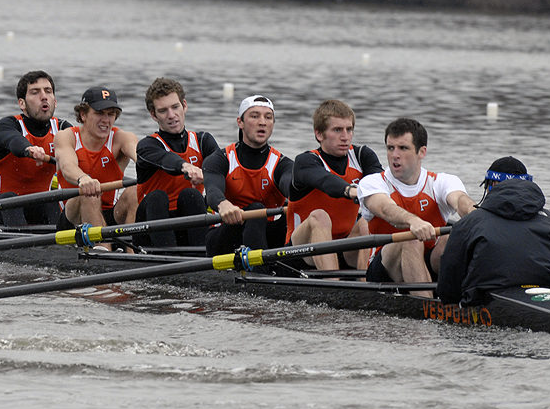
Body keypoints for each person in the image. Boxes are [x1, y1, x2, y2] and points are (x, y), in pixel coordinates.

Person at [437, 157, 550, 306]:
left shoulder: (469, 223)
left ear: (492, 184)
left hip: (485, 300)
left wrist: (455, 305)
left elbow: (449, 287)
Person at [357, 117, 475, 297]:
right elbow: (385, 209)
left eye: (403, 148)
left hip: (429, 260)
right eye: (390, 148)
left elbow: (461, 201)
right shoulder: (372, 183)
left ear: (422, 152)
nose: (395, 155)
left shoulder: (441, 181)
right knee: (410, 240)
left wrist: (478, 216)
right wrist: (413, 221)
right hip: (385, 268)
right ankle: (428, 313)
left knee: (453, 235)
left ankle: (466, 297)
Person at [285, 100, 383, 271]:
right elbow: (326, 181)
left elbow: (381, 185)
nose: (345, 136)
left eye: (349, 129)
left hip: (344, 246)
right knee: (320, 216)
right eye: (337, 130)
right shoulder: (306, 161)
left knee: (366, 221)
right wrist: (352, 191)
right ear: (319, 134)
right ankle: (333, 281)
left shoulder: (362, 156)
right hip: (300, 251)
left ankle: (365, 285)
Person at [134, 77, 220, 247]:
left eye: (175, 107)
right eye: (163, 110)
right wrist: (185, 166)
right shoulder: (147, 146)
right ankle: (166, 255)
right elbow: (167, 160)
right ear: (153, 115)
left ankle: (201, 256)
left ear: (184, 106)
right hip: (151, 225)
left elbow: (223, 174)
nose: (171, 115)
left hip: (188, 221)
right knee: (157, 197)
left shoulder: (203, 141)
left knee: (192, 195)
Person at [202, 95, 292, 256]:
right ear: (240, 122)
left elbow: (291, 185)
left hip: (267, 236)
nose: (262, 122)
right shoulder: (219, 160)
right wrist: (223, 204)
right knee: (255, 210)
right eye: (255, 116)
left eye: (268, 117)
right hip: (224, 238)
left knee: (290, 216)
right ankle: (259, 273)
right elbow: (213, 190)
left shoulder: (283, 164)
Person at [54, 86, 139, 249]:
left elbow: (141, 158)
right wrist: (83, 178)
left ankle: (133, 255)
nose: (106, 120)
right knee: (90, 193)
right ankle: (103, 252)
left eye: (111, 114)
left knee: (135, 191)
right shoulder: (67, 137)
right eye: (100, 113)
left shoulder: (123, 138)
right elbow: (67, 166)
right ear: (83, 114)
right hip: (73, 216)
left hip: (111, 214)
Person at [0, 70, 72, 226]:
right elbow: (13, 140)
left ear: (55, 101)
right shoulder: (7, 125)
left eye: (48, 91)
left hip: (38, 206)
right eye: (35, 92)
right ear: (22, 103)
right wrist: (29, 149)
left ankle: (60, 244)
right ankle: (23, 246)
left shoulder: (63, 129)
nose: (44, 96)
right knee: (11, 199)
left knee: (52, 199)